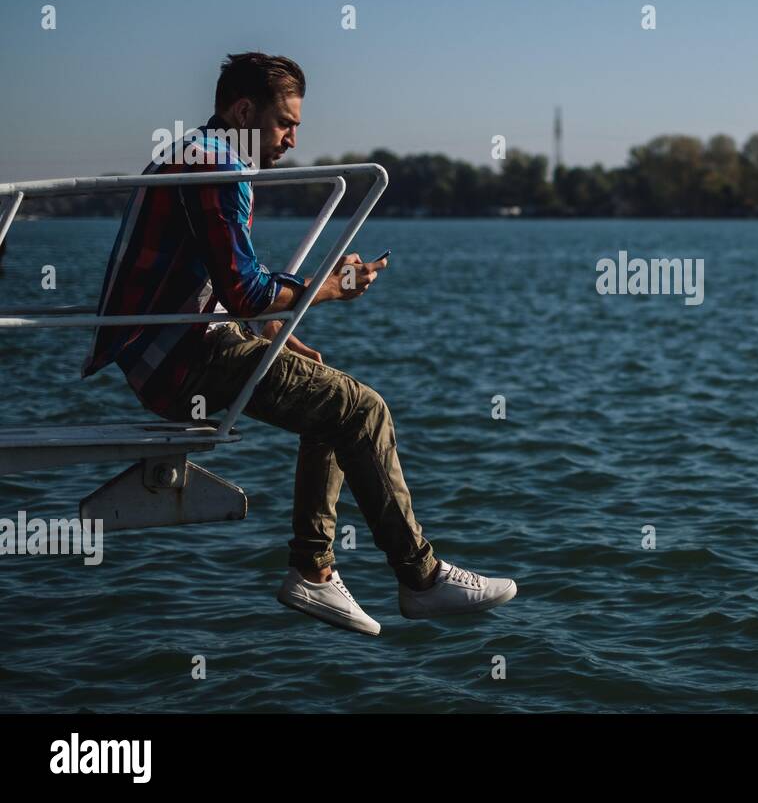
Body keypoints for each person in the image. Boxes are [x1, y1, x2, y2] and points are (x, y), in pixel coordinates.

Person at [81, 52, 516, 635]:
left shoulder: (193, 153)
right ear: (242, 110)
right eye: (285, 122)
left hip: (168, 350)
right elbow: (241, 289)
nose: (290, 139)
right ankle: (419, 578)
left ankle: (313, 570)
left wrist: (268, 330)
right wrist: (330, 288)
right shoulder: (218, 168)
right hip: (180, 363)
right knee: (361, 409)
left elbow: (219, 283)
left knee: (328, 402)